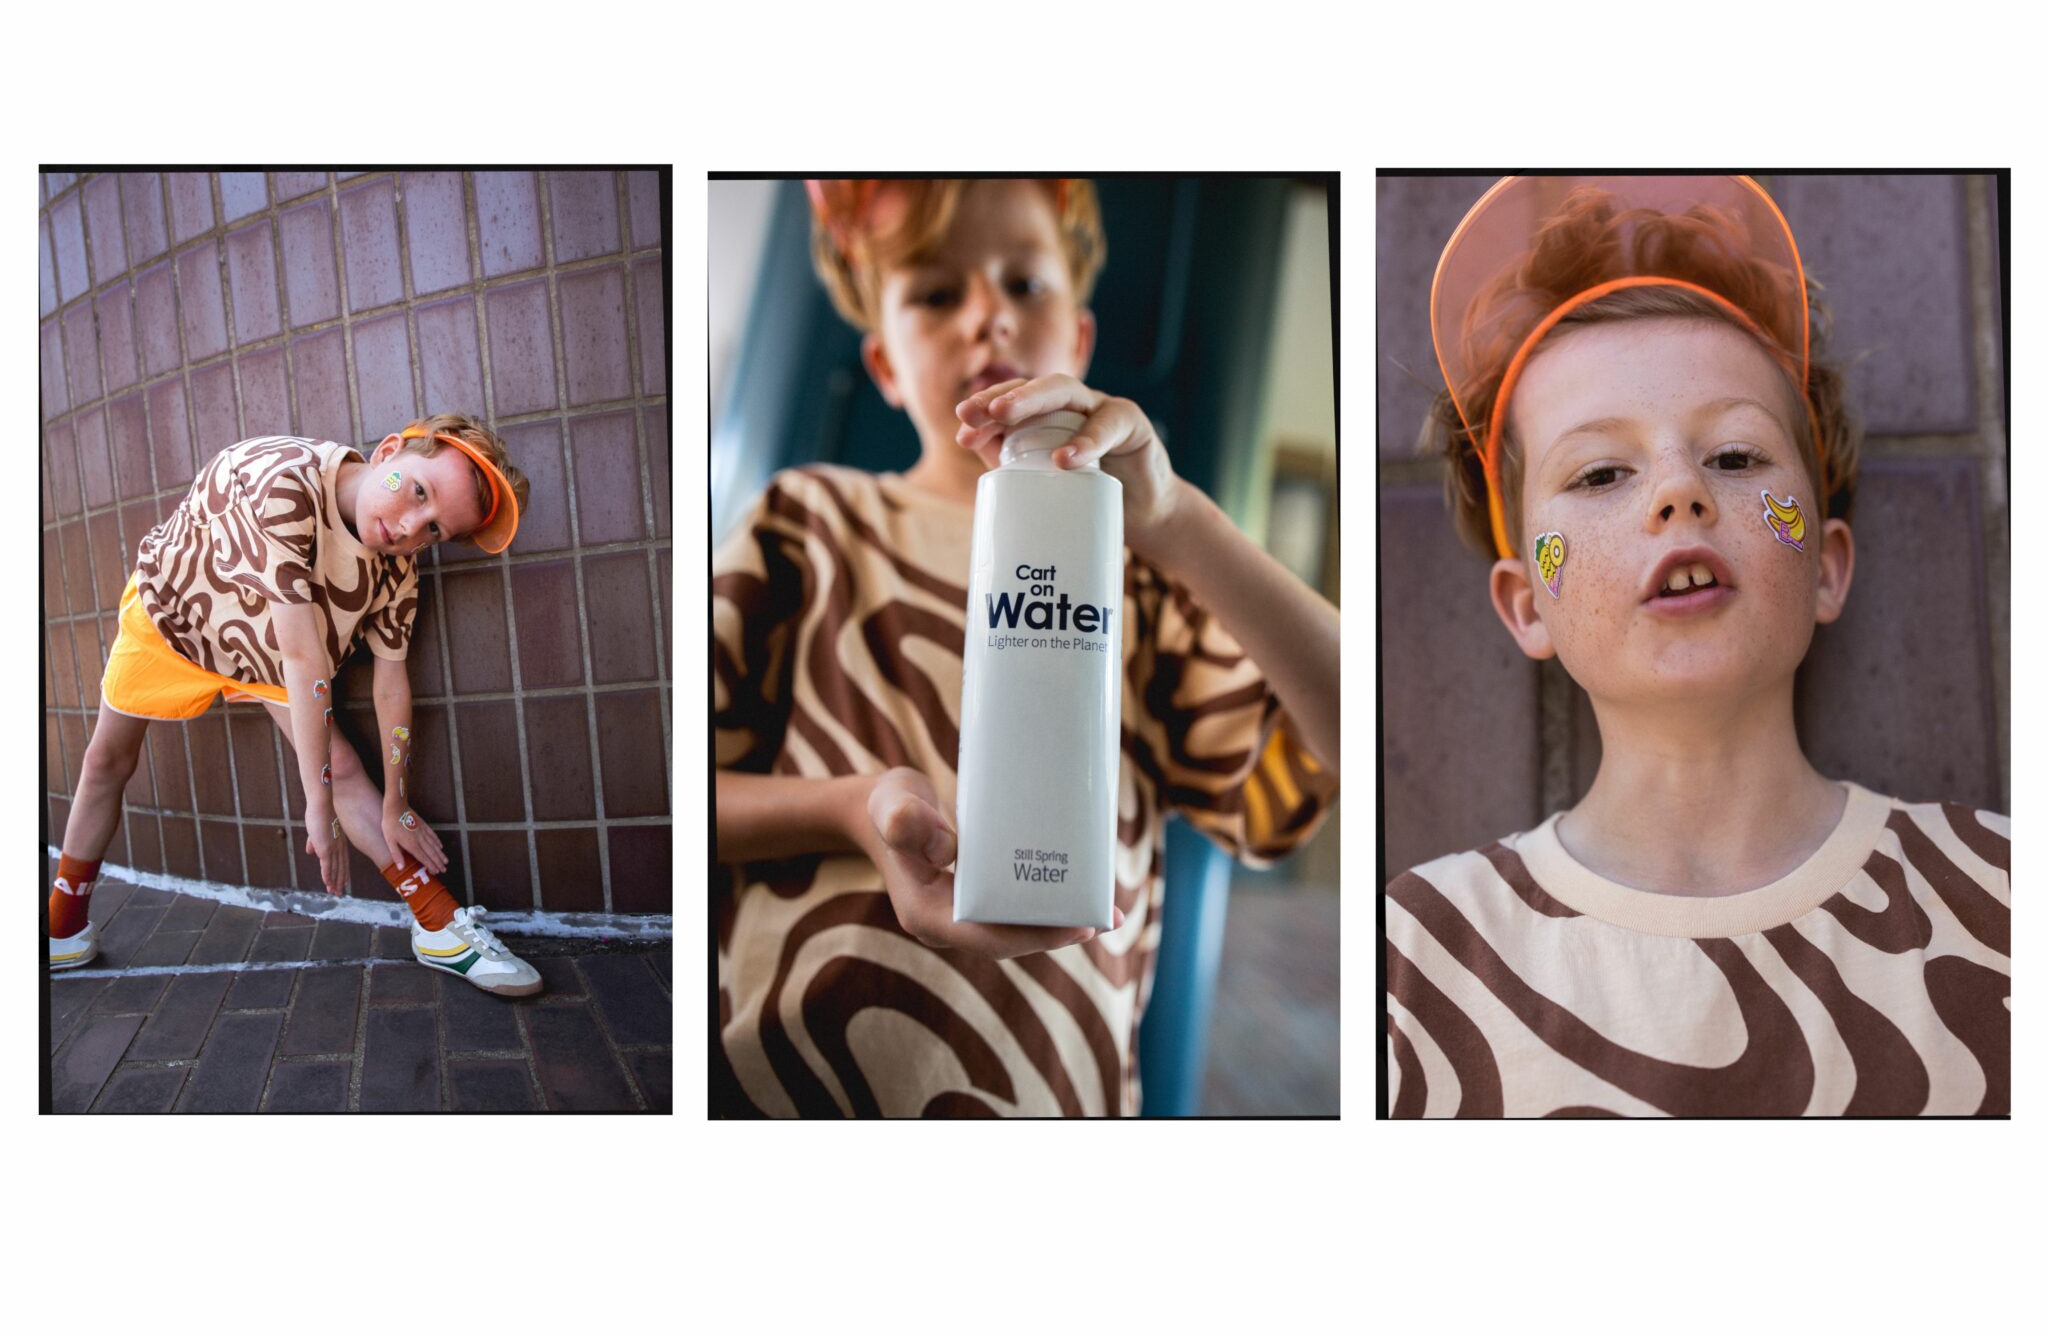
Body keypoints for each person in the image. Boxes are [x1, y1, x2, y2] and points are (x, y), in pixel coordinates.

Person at [713, 178, 1340, 1116]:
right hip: (779, 1083)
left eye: (1025, 283)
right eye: (935, 293)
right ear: (884, 363)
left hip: (1053, 1096)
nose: (988, 318)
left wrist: (1170, 517)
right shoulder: (807, 518)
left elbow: (1346, 728)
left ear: (1079, 341)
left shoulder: (1142, 570)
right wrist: (851, 807)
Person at [1386, 176, 2009, 1117]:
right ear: (1527, 607)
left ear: (1829, 568)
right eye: (1599, 471)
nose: (1679, 491)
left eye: (1736, 456)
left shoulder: (2006, 899)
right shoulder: (1414, 957)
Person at [48, 413, 544, 998]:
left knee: (351, 770)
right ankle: (61, 930)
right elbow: (306, 659)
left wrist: (397, 802)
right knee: (107, 761)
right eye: (418, 491)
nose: (411, 527)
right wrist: (317, 803)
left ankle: (439, 926)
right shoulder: (286, 481)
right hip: (179, 619)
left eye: (434, 529)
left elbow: (390, 686)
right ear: (389, 451)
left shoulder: (396, 568)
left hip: (266, 650)